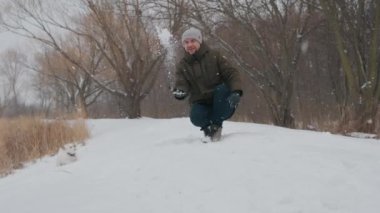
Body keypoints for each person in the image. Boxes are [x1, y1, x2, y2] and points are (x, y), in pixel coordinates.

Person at [173, 27, 243, 142]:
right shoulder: (182, 65)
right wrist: (180, 91)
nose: (189, 45)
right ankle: (208, 128)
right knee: (195, 117)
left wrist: (236, 91)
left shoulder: (215, 56)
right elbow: (182, 83)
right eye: (186, 42)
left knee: (222, 89)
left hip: (223, 102)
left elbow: (232, 73)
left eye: (193, 41)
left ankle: (216, 126)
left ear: (199, 41)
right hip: (201, 102)